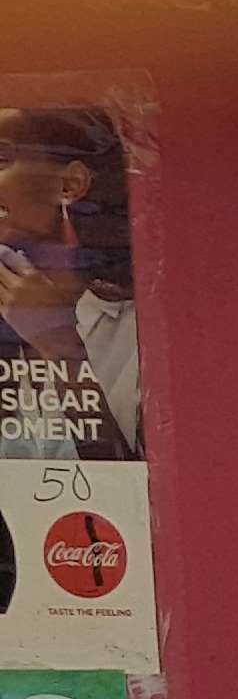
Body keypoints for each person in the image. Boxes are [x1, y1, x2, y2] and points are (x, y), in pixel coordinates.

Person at [0, 105, 140, 460]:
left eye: (1, 157)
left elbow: (131, 497)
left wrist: (60, 345)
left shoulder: (136, 336)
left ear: (69, 184)